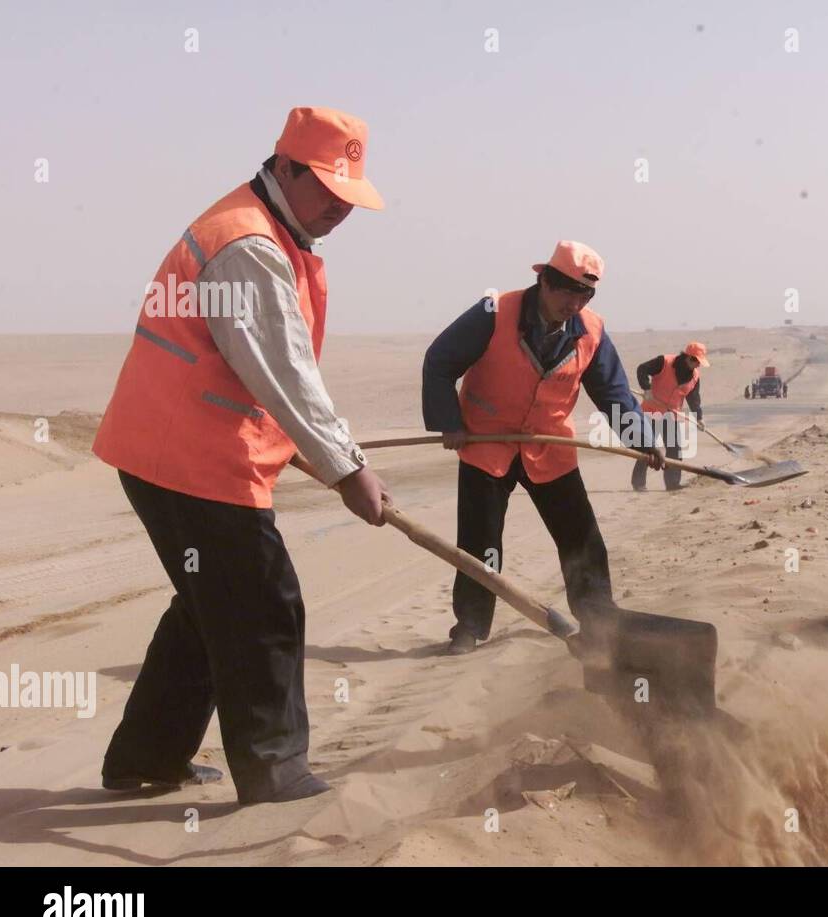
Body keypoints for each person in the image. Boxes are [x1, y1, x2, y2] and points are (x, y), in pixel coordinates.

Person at [92, 107, 390, 803]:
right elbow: (284, 373)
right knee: (262, 604)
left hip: (171, 452)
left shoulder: (263, 230)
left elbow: (257, 372)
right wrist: (348, 467)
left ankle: (146, 759)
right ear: (284, 166)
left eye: (350, 199)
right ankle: (274, 769)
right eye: (328, 191)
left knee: (209, 608)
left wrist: (317, 450)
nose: (339, 211)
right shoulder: (248, 246)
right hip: (188, 461)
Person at [421, 240, 664, 655]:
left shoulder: (591, 332)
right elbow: (439, 361)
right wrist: (450, 423)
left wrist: (642, 439)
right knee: (481, 543)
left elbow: (614, 395)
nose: (575, 303)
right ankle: (470, 627)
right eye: (567, 292)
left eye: (584, 295)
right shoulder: (494, 313)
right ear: (544, 282)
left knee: (581, 537)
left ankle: (600, 621)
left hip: (547, 447)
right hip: (487, 444)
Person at [631, 343, 709, 491]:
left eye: (699, 362)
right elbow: (642, 369)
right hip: (651, 412)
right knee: (647, 448)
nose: (697, 365)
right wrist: (646, 388)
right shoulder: (664, 362)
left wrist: (699, 417)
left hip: (671, 415)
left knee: (674, 449)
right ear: (687, 357)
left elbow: (693, 398)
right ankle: (638, 483)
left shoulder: (695, 377)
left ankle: (673, 484)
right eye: (696, 361)